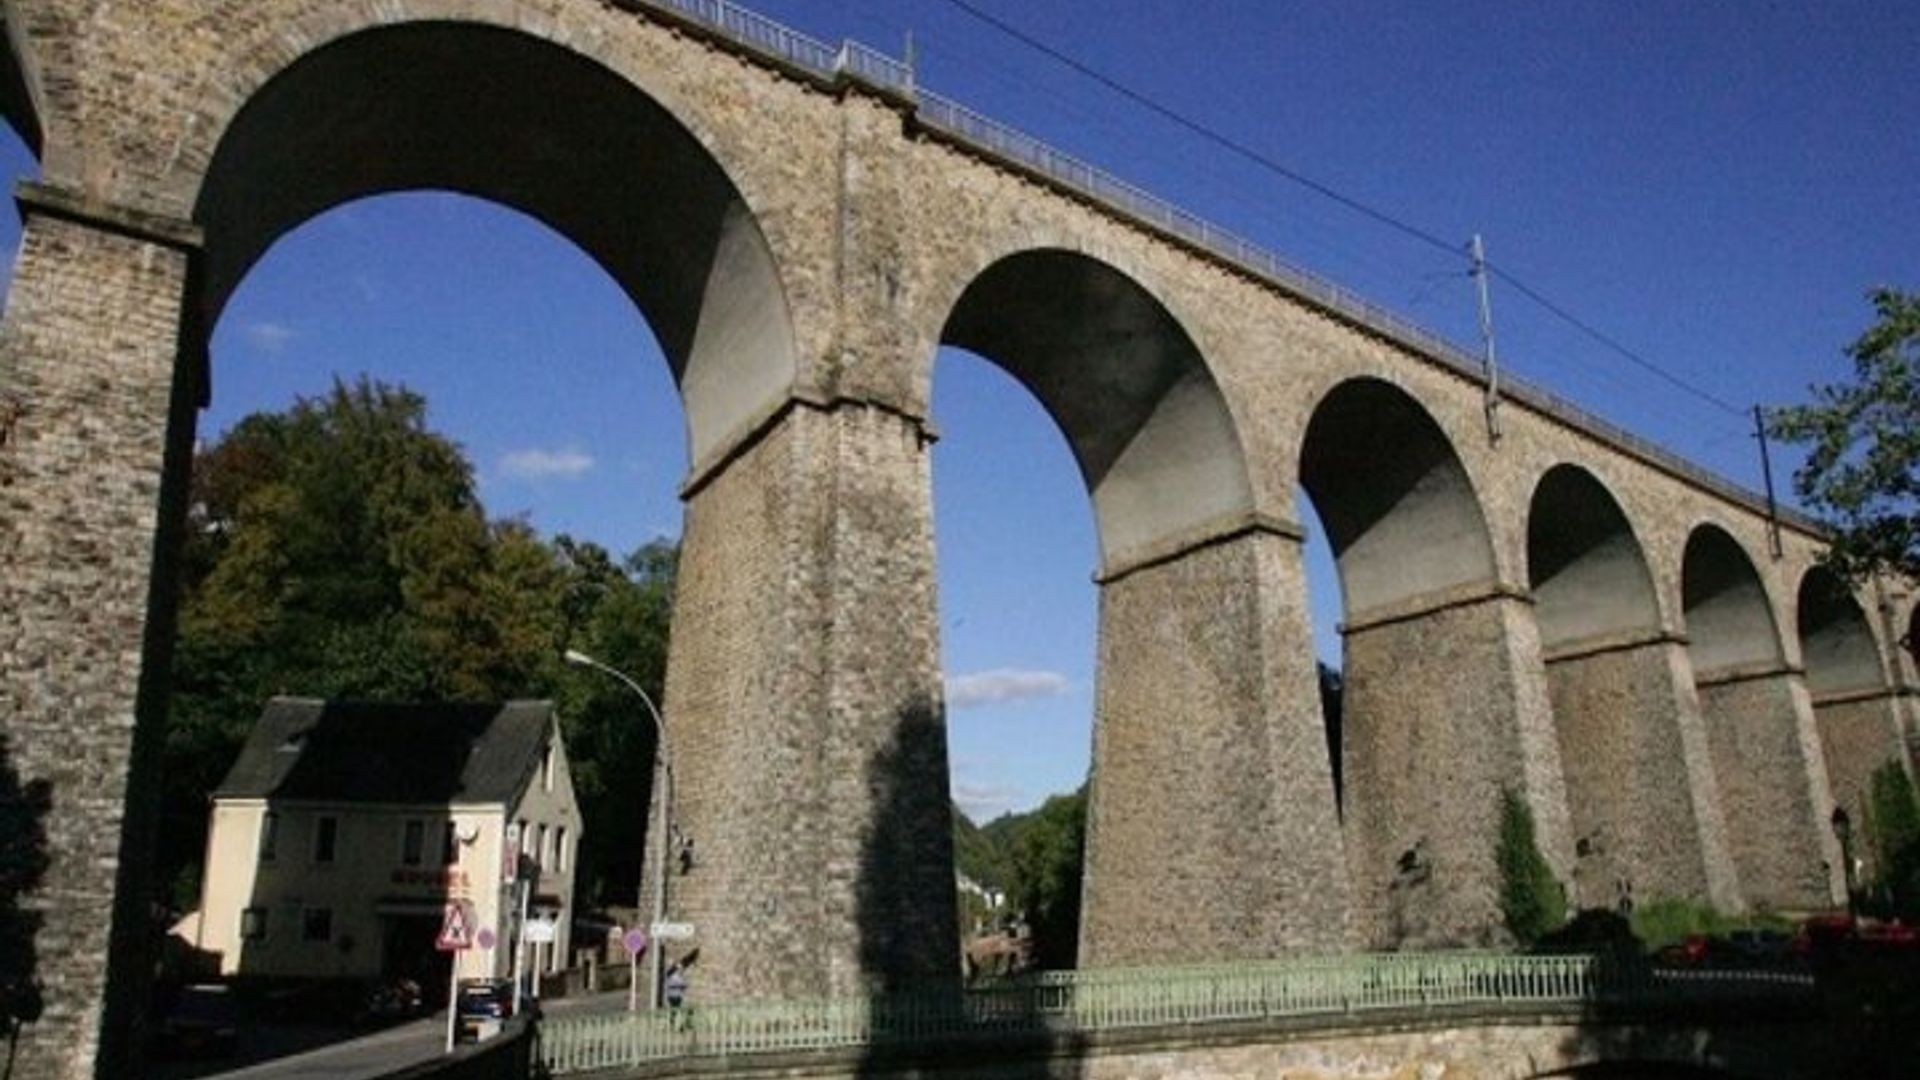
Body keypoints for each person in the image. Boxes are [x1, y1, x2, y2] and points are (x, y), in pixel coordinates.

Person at [663, 963, 688, 1030]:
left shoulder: (679, 977)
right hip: (673, 995)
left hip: (677, 995)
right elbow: (669, 985)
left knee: (675, 1011)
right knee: (675, 1010)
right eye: (680, 969)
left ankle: (675, 1024)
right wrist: (680, 985)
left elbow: (684, 984)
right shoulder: (672, 976)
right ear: (676, 969)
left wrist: (683, 985)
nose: (681, 970)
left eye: (681, 969)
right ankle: (676, 1025)